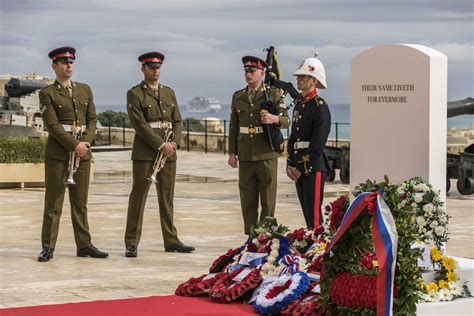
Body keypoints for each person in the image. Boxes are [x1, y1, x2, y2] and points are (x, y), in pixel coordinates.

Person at [37, 46, 108, 262]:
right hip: (59, 153)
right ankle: (48, 247)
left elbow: (92, 119)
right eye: (64, 62)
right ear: (54, 66)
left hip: (82, 153)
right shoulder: (47, 93)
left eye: (71, 62)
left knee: (80, 202)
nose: (69, 65)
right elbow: (53, 125)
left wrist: (85, 142)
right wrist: (74, 145)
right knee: (54, 203)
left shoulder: (84, 90)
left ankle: (84, 245)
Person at [124, 51, 194, 257]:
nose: (155, 70)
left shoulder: (168, 92)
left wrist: (174, 143)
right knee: (138, 198)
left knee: (167, 198)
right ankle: (131, 242)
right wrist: (160, 144)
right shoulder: (135, 93)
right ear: (143, 69)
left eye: (158, 67)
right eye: (151, 67)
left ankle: (171, 240)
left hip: (168, 152)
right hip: (146, 153)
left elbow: (177, 121)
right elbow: (140, 124)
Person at [228, 55, 289, 235]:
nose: (249, 75)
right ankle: (250, 234)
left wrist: (274, 118)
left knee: (268, 197)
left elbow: (286, 121)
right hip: (246, 152)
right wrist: (232, 152)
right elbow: (234, 126)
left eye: (252, 71)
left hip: (266, 151)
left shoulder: (273, 94)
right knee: (247, 197)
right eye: (246, 71)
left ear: (262, 72)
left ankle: (265, 234)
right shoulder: (238, 96)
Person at [286, 54, 332, 228]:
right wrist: (290, 163)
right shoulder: (300, 104)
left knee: (314, 216)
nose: (298, 79)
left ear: (313, 80)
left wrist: (300, 168)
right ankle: (310, 246)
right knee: (306, 213)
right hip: (299, 165)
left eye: (303, 76)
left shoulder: (320, 107)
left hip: (313, 167)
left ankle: (318, 249)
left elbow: (317, 144)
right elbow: (294, 136)